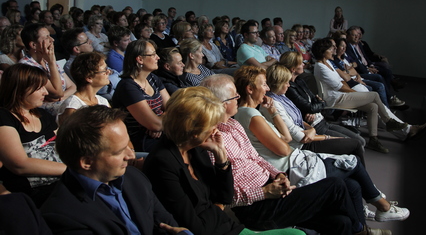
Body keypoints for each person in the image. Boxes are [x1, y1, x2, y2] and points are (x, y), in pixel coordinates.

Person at [201, 74, 392, 235]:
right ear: (220, 104)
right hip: (258, 207)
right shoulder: (211, 142)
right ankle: (364, 232)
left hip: (274, 186)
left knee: (347, 204)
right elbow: (226, 197)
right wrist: (265, 192)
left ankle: (359, 228)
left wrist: (278, 175)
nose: (237, 97)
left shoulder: (233, 125)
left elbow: (257, 158)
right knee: (336, 185)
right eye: (233, 96)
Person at [144, 87, 305, 235]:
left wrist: (221, 157)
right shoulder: (162, 163)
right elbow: (195, 226)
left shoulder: (197, 148)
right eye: (213, 125)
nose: (216, 129)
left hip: (228, 226)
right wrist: (216, 209)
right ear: (193, 131)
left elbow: (225, 198)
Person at [40, 105, 190, 234]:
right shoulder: (61, 215)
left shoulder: (135, 178)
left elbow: (168, 225)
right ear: (87, 162)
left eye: (128, 146)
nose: (131, 155)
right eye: (119, 151)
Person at [313, 38, 426, 153]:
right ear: (323, 51)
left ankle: (373, 140)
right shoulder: (320, 67)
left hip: (341, 95)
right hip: (336, 99)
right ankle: (389, 121)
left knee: (373, 107)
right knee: (374, 95)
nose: (334, 49)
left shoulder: (327, 63)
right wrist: (357, 94)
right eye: (331, 48)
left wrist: (355, 92)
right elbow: (340, 86)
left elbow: (342, 81)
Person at [263, 64, 366, 164]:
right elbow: (300, 136)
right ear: (279, 83)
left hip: (314, 130)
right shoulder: (274, 103)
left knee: (358, 143)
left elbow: (300, 118)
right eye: (286, 82)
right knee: (356, 144)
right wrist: (327, 137)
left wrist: (311, 129)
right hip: (302, 146)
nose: (289, 85)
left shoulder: (282, 95)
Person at [0, 64, 66, 206]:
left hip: (63, 183)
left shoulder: (43, 115)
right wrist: (72, 170)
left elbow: (63, 144)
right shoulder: (4, 117)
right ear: (20, 90)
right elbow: (20, 164)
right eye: (39, 88)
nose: (46, 92)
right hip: (36, 195)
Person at [279, 51, 367, 147]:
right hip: (315, 127)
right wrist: (317, 105)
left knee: (361, 140)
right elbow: (310, 107)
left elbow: (315, 101)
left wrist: (318, 104)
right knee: (357, 144)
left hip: (322, 121)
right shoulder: (289, 88)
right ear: (293, 68)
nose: (304, 64)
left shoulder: (300, 80)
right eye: (301, 63)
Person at [112, 39, 169, 152]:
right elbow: (155, 124)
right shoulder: (128, 87)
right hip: (141, 139)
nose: (157, 57)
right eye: (153, 54)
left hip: (162, 132)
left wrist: (159, 122)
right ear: (140, 59)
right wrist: (156, 124)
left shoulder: (152, 78)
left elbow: (173, 107)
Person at [20, 23, 76, 115]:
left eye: (50, 36)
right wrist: (51, 62)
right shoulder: (27, 66)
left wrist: (60, 98)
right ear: (33, 45)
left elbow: (73, 87)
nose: (52, 40)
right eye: (46, 38)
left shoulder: (46, 60)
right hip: (42, 110)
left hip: (61, 102)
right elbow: (57, 92)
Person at [58, 52, 111, 125]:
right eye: (104, 70)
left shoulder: (103, 101)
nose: (108, 72)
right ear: (89, 78)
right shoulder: (73, 107)